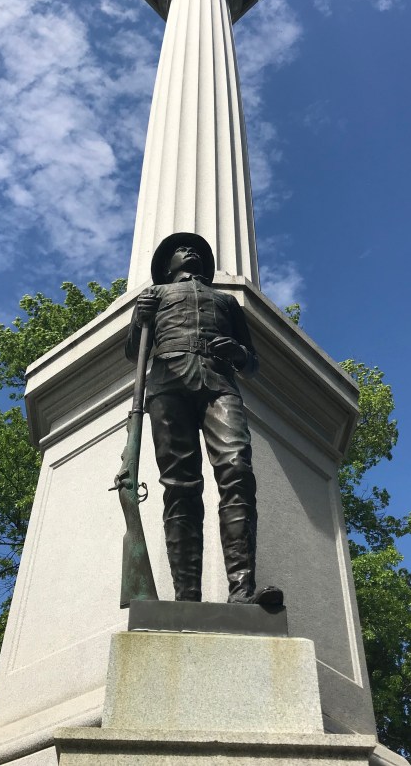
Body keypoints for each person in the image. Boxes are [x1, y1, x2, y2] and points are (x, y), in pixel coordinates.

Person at [126, 232, 281, 606]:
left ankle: (241, 589)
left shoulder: (227, 302)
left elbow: (253, 363)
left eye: (195, 249)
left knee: (237, 470)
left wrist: (239, 354)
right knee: (180, 486)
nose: (189, 251)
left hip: (218, 383)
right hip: (167, 384)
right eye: (180, 250)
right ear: (167, 267)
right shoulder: (155, 295)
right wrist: (139, 319)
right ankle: (187, 599)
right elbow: (134, 351)